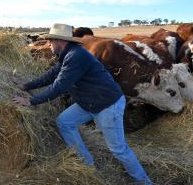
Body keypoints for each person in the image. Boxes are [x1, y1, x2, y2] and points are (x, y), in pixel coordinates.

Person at [12, 23, 152, 184]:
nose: (48, 44)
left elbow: (59, 86)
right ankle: (87, 164)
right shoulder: (66, 55)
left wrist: (31, 101)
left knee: (118, 149)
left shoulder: (76, 56)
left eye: (51, 40)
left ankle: (144, 181)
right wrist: (26, 85)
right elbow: (51, 76)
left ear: (60, 41)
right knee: (64, 122)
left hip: (107, 104)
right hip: (90, 101)